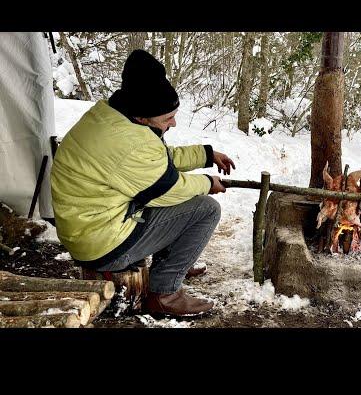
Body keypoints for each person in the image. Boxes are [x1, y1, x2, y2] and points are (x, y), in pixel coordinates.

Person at [51, 49, 235, 316]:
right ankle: (164, 292)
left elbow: (155, 161)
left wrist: (205, 155)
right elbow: (169, 188)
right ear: (142, 118)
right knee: (205, 208)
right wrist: (208, 183)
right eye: (166, 119)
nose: (173, 123)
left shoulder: (112, 117)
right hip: (103, 244)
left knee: (178, 204)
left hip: (88, 228)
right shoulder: (132, 142)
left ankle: (172, 263)